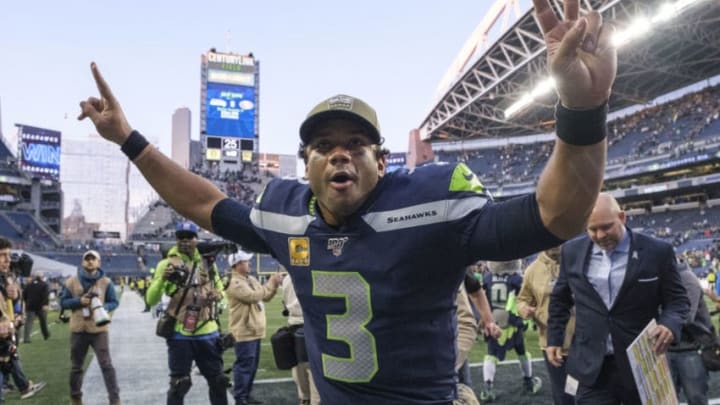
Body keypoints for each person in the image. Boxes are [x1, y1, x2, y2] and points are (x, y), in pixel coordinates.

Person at [79, 0, 616, 400]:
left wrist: (583, 110)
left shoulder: (432, 203)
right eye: (323, 147)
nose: (340, 156)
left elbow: (557, 214)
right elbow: (205, 204)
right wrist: (131, 140)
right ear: (306, 164)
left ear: (381, 163)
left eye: (357, 145)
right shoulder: (286, 215)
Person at [547, 193, 690, 404]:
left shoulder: (657, 251)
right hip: (591, 366)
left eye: (606, 227)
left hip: (643, 363)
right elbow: (560, 299)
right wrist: (554, 338)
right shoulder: (571, 251)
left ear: (622, 217)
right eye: (592, 229)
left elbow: (678, 300)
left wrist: (669, 324)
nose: (600, 235)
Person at [145, 221, 228, 405]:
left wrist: (218, 295)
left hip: (208, 332)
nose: (184, 241)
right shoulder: (165, 265)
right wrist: (161, 280)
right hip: (179, 334)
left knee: (218, 382)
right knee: (179, 385)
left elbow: (222, 292)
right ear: (176, 240)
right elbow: (150, 300)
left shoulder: (208, 262)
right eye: (180, 237)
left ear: (196, 239)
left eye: (189, 237)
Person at [59, 249, 120, 405]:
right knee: (76, 367)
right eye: (87, 259)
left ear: (98, 263)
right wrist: (79, 301)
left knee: (106, 365)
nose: (90, 261)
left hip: (99, 329)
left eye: (93, 259)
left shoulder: (106, 282)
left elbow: (114, 301)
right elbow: (63, 303)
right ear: (82, 262)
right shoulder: (71, 281)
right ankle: (76, 398)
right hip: (78, 329)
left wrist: (103, 307)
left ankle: (114, 399)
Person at [516, 246, 575, 405]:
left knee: (586, 393)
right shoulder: (532, 270)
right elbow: (522, 299)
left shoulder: (578, 259)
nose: (555, 243)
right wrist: (524, 309)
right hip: (552, 345)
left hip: (584, 341)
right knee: (564, 395)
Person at [226, 249, 283, 405]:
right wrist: (270, 283)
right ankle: (240, 397)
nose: (249, 263)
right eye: (245, 261)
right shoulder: (234, 282)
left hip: (254, 330)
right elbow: (253, 297)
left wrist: (274, 285)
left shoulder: (250, 279)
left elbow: (265, 296)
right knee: (244, 366)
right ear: (237, 264)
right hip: (244, 330)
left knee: (251, 367)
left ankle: (246, 395)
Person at [480, 260, 542, 402]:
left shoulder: (488, 278)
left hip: (494, 322)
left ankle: (487, 387)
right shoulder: (516, 279)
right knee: (521, 351)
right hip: (512, 323)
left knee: (491, 354)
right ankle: (529, 381)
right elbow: (525, 299)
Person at [0, 237, 46, 401]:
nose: (7, 260)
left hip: (7, 328)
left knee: (9, 354)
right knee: (9, 354)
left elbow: (11, 299)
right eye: (3, 255)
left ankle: (21, 386)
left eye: (9, 255)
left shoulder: (5, 275)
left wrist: (15, 294)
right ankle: (22, 386)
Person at [667, 259, 712, 405]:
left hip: (690, 348)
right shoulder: (667, 278)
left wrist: (660, 317)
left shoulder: (686, 278)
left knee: (696, 398)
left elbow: (686, 317)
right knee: (668, 399)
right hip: (670, 348)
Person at [280, 272, 321, 405]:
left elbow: (285, 303)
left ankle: (304, 399)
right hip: (307, 324)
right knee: (314, 371)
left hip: (293, 325)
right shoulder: (311, 274)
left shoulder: (287, 278)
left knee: (299, 369)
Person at [23, 274, 50, 343]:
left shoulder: (28, 285)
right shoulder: (44, 285)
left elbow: (24, 295)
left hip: (30, 306)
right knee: (43, 322)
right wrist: (45, 304)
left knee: (28, 323)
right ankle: (46, 335)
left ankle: (26, 338)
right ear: (41, 277)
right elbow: (46, 295)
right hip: (41, 306)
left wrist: (27, 302)